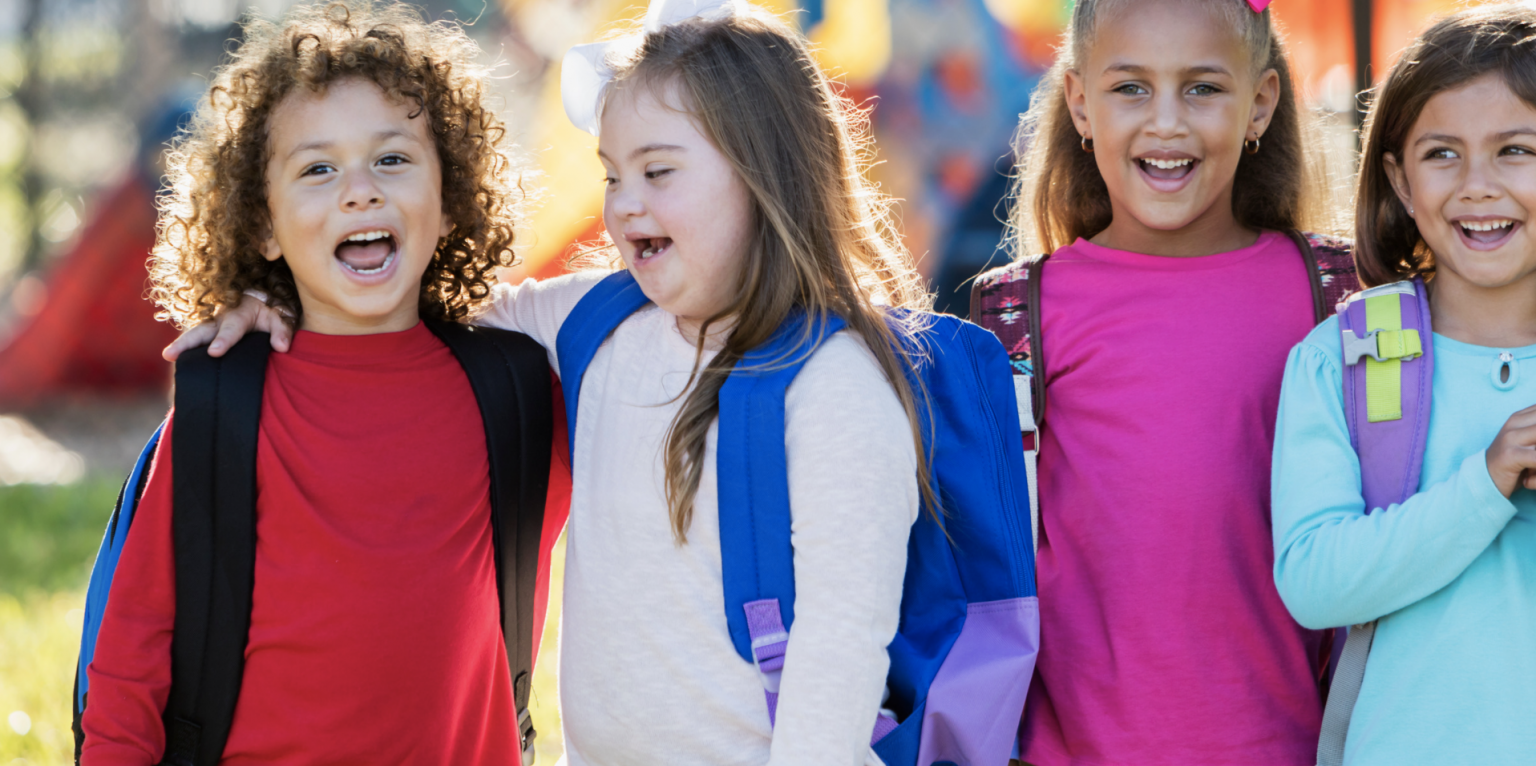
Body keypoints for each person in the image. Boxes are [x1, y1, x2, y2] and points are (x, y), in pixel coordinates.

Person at [170, 3, 944, 764]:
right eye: (612, 174)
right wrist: (272, 289)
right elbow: (396, 304)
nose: (623, 202)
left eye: (658, 170)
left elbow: (842, 649)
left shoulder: (836, 384)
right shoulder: (592, 325)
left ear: (766, 170)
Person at [80, 3, 563, 763]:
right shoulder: (223, 405)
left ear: (449, 202)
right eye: (317, 169)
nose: (359, 190)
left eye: (393, 159)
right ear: (264, 225)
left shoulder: (520, 391)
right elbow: (131, 654)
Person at [969, 0, 1356, 763]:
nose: (1167, 123)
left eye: (1203, 88)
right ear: (1080, 103)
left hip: (1293, 747)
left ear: (1261, 106)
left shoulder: (1339, 300)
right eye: (1131, 88)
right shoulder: (1019, 317)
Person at [1272, 5, 1536, 763]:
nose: (1477, 185)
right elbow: (1315, 582)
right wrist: (1485, 482)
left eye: (1515, 149)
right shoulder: (1342, 359)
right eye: (1443, 154)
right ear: (1399, 178)